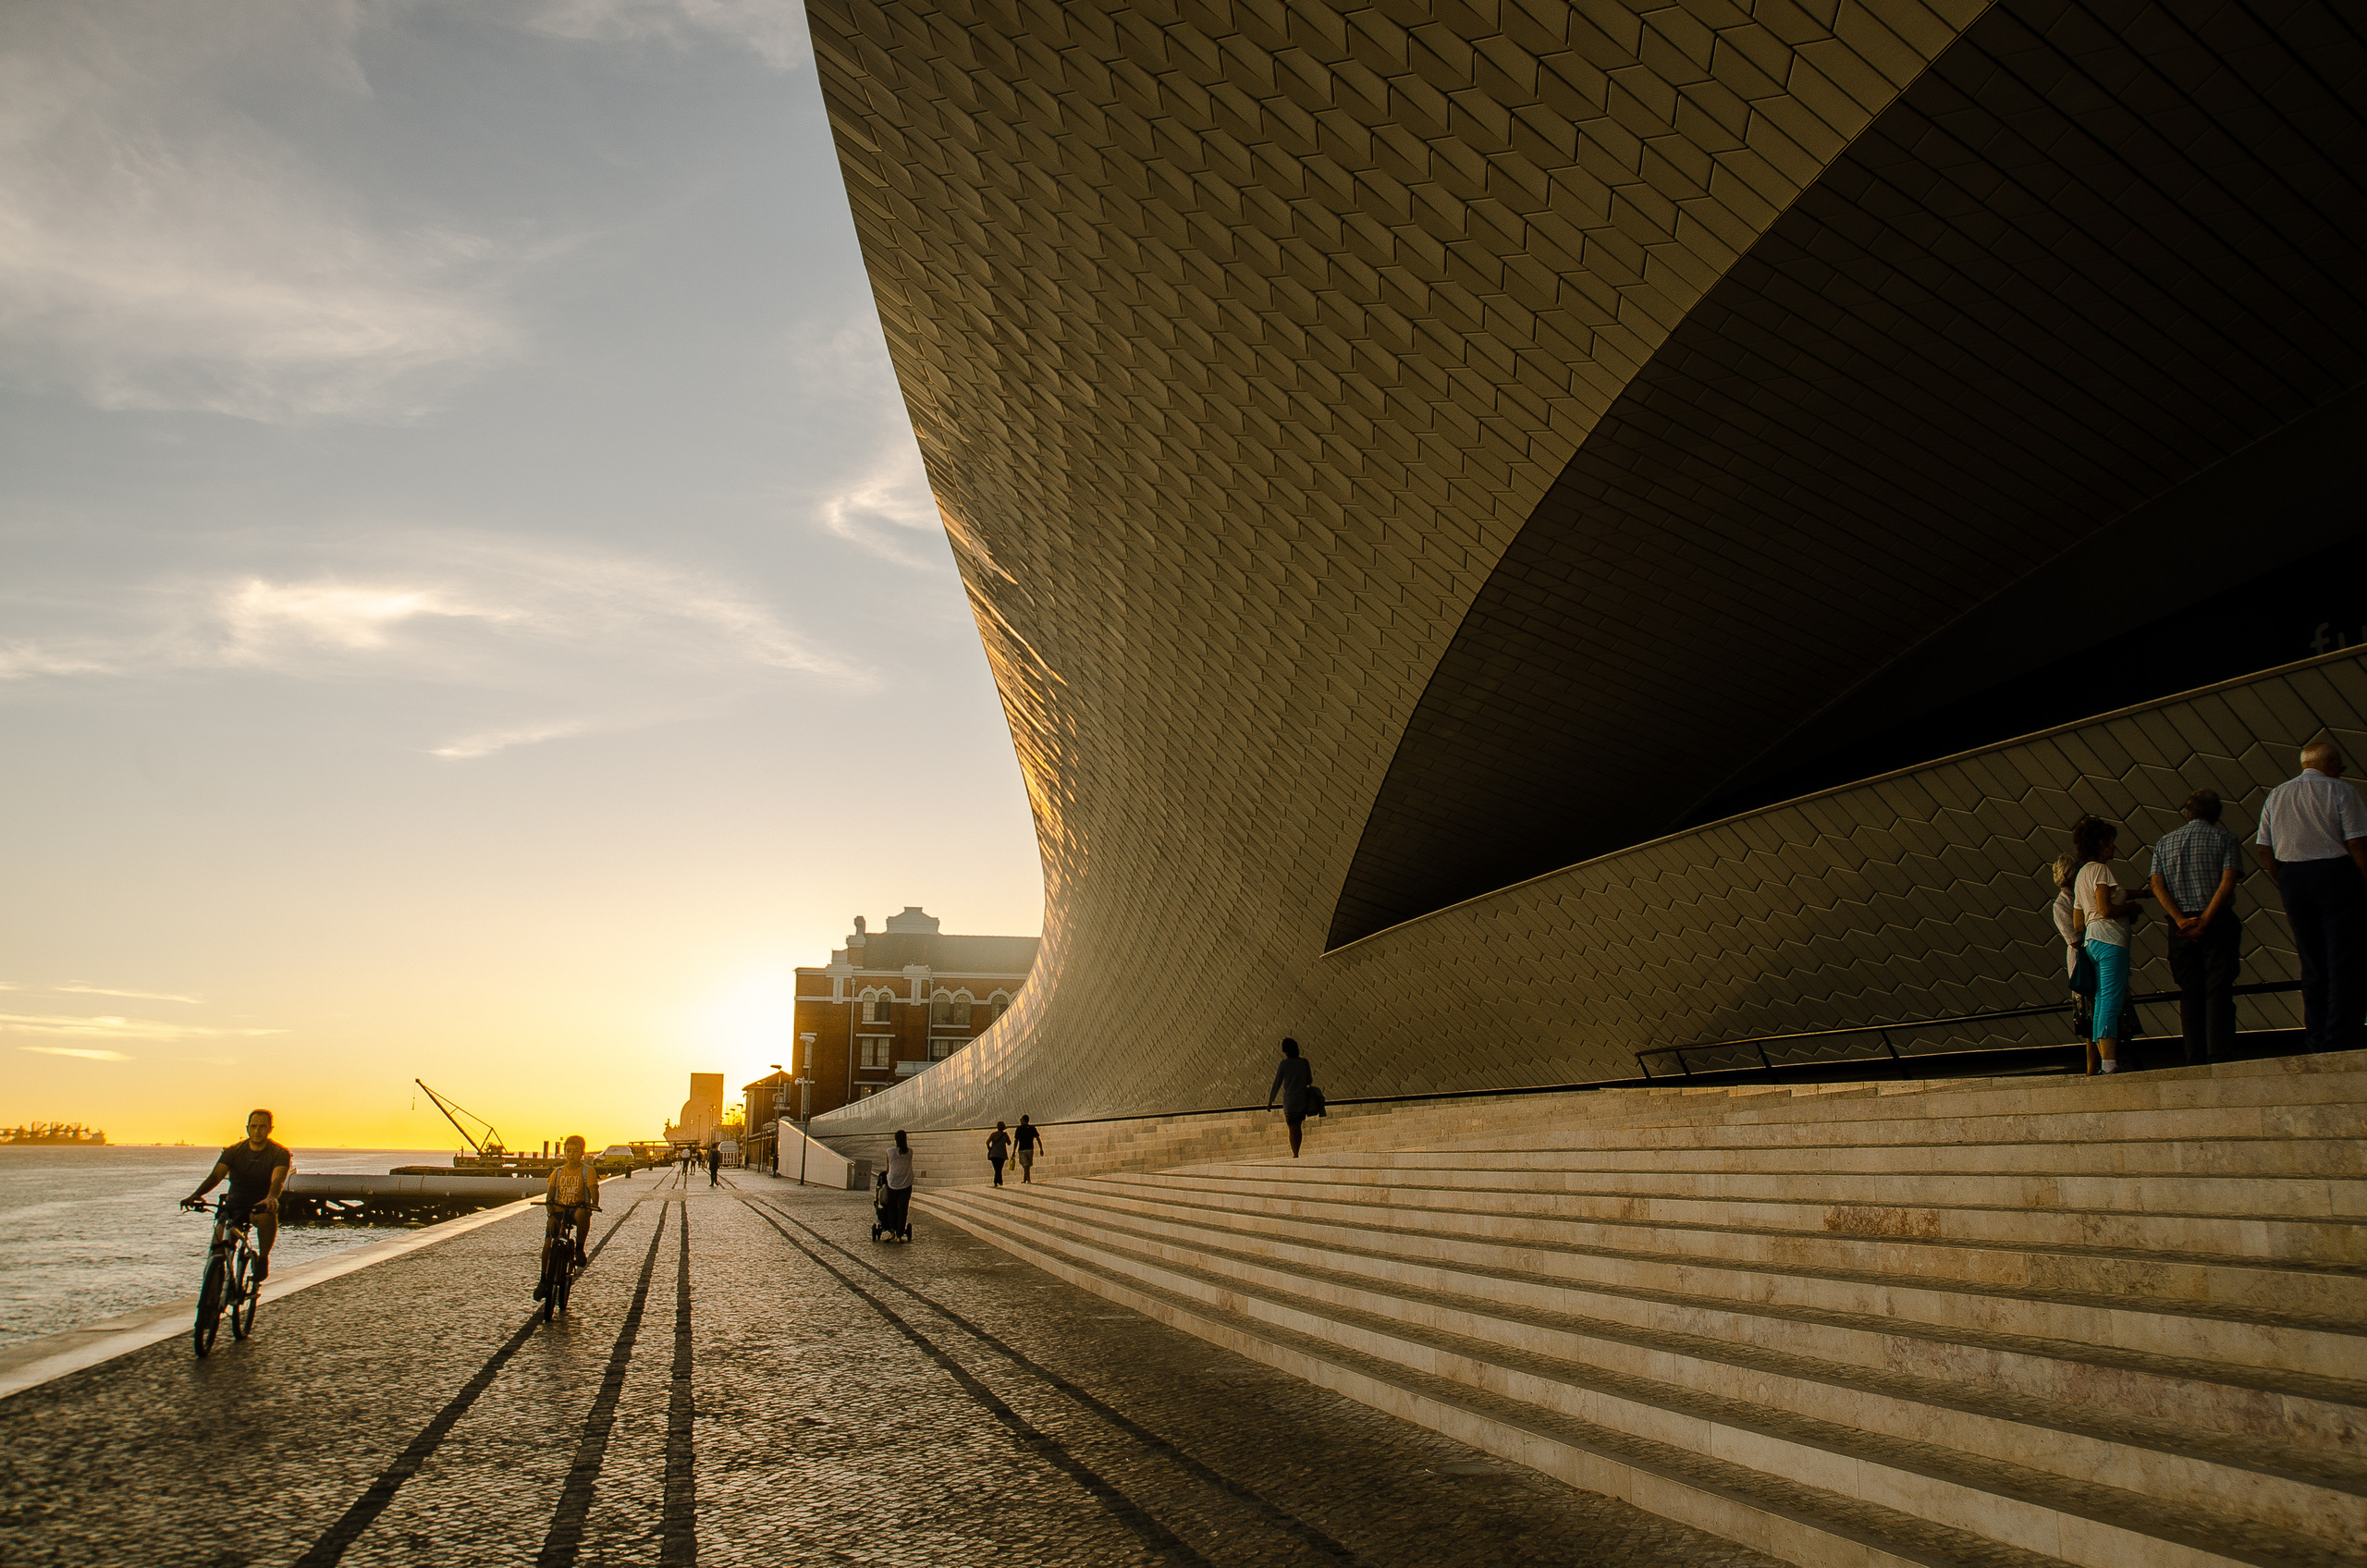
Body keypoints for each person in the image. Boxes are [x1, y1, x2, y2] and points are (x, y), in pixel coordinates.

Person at [2253, 739, 2367, 1052]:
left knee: (2312, 961)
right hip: (2335, 874)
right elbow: (2357, 843)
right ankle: (2341, 1037)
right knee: (2343, 959)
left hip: (2293, 877)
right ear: (2331, 764)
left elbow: (2264, 847)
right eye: (2340, 767)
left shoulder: (2277, 795)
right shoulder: (2341, 791)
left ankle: (2315, 1037)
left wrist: (2283, 880)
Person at [2151, 788, 2248, 1065]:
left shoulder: (2164, 843)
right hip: (2216, 922)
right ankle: (2219, 1054)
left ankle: (2194, 1057)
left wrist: (2181, 920)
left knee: (2190, 991)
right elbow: (2228, 881)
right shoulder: (2226, 839)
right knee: (2218, 989)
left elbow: (2157, 885)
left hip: (2180, 926)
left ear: (2187, 812)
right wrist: (2206, 918)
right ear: (2216, 814)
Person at [2072, 819, 2147, 1074]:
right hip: (2111, 941)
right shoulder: (2102, 871)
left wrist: (2141, 894)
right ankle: (2110, 1063)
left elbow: (2077, 920)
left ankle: (2105, 1062)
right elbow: (2106, 908)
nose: (2114, 847)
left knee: (2101, 1001)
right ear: (2101, 844)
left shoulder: (2081, 875)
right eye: (2110, 841)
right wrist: (2130, 908)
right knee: (2110, 1001)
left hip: (2091, 940)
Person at [181, 1109, 292, 1281]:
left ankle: (263, 1259)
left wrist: (271, 1197)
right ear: (247, 1128)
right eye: (253, 1126)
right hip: (234, 1205)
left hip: (260, 1204)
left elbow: (277, 1179)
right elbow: (216, 1176)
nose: (257, 1131)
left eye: (262, 1127)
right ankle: (216, 1288)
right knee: (217, 1248)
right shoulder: (233, 1152)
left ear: (270, 1129)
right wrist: (197, 1194)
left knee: (266, 1217)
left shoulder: (279, 1153)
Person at [535, 1133, 600, 1300]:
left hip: (576, 1209)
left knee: (582, 1213)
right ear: (565, 1152)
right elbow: (550, 1197)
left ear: (582, 1153)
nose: (571, 1154)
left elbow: (594, 1191)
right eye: (569, 1151)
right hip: (558, 1211)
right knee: (548, 1242)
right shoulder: (557, 1173)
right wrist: (550, 1215)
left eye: (575, 1151)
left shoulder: (588, 1171)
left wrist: (592, 1204)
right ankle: (543, 1279)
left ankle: (579, 1249)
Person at [2048, 851, 2093, 1043]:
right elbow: (2073, 939)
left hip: (2088, 956)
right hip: (2082, 962)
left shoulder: (2080, 895)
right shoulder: (2062, 903)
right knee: (2089, 1012)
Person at [1266, 1036, 1315, 1156]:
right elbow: (1310, 1080)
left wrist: (1270, 1100)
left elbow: (1277, 1082)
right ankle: (1297, 1150)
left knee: (1291, 1126)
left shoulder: (1284, 1064)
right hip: (1302, 1097)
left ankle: (1295, 1153)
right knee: (1298, 1125)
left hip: (1290, 1099)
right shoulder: (1304, 1062)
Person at [883, 1129, 914, 1231]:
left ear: (895, 1140)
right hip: (906, 1183)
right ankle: (900, 1232)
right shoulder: (910, 1152)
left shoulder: (889, 1152)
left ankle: (892, 1229)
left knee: (892, 1207)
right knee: (903, 1208)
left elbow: (888, 1169)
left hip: (893, 1183)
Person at [1013, 1114, 1044, 1183]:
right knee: (1027, 1166)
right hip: (1030, 1148)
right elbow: (1038, 1139)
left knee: (1025, 1165)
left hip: (1022, 1149)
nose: (1020, 1121)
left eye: (1021, 1119)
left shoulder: (1019, 1129)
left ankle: (1029, 1180)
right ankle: (1025, 1180)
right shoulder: (1032, 1128)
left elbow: (1016, 1140)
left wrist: (1014, 1150)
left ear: (1023, 1120)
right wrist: (1041, 1148)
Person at [986, 1121, 1011, 1187]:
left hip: (994, 1154)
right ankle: (999, 1181)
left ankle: (997, 1181)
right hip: (1002, 1154)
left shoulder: (993, 1134)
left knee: (996, 1168)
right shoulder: (1005, 1135)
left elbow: (987, 1142)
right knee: (999, 1168)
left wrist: (990, 1149)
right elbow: (1009, 1143)